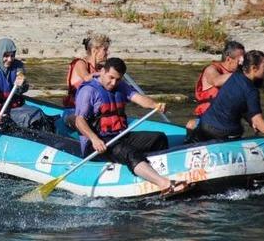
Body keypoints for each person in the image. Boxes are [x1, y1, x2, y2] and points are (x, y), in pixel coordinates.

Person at [72, 58, 188, 196]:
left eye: (118, 79)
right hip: (98, 143)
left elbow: (140, 99)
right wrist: (94, 139)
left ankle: (156, 173)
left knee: (159, 138)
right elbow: (79, 121)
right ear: (102, 71)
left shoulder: (121, 86)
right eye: (111, 78)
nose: (113, 83)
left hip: (120, 135)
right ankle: (165, 185)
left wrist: (155, 105)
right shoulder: (89, 91)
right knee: (128, 151)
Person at [188, 50, 264, 150]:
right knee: (247, 126)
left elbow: (237, 103)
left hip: (205, 125)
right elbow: (258, 121)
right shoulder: (251, 91)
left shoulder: (236, 76)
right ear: (254, 68)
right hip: (224, 132)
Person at [0, 38, 53, 131]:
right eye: (6, 56)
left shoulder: (17, 67)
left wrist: (22, 83)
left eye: (12, 56)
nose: (9, 59)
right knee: (26, 117)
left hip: (13, 106)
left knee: (38, 113)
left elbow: (22, 89)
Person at [63, 34, 111, 107]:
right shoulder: (80, 63)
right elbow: (86, 78)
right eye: (105, 50)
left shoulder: (100, 68)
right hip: (75, 108)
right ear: (94, 50)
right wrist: (105, 74)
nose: (108, 53)